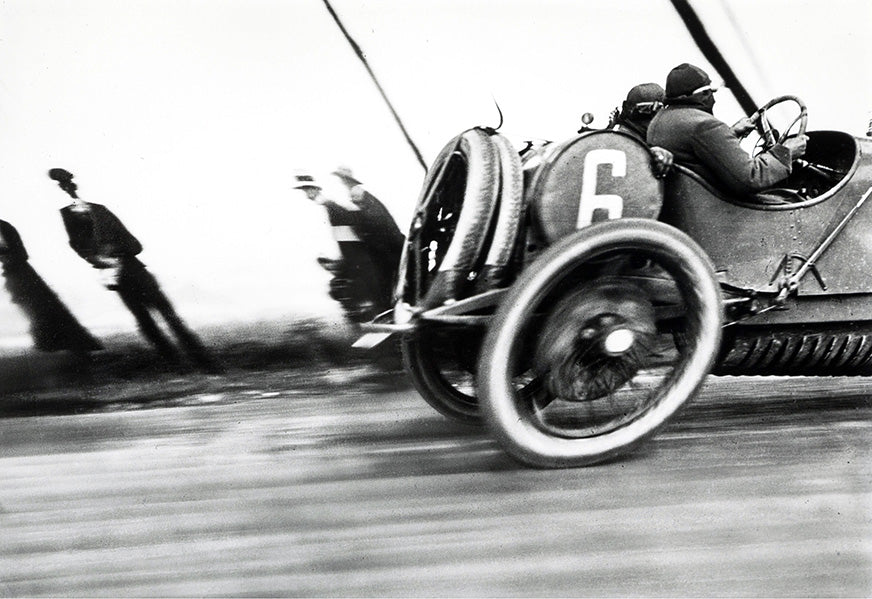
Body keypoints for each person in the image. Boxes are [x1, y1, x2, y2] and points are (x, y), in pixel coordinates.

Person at [48, 168, 222, 373]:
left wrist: (115, 251)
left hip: (135, 271)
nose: (68, 189)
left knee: (169, 318)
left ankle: (205, 364)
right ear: (61, 188)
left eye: (69, 184)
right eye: (63, 185)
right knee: (147, 323)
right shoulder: (67, 215)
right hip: (117, 277)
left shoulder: (100, 210)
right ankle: (178, 366)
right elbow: (78, 246)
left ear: (73, 185)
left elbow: (134, 244)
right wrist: (98, 259)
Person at [647, 63, 807, 197]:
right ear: (702, 94)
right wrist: (786, 153)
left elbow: (697, 152)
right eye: (711, 93)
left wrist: (731, 133)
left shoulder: (660, 120)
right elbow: (751, 178)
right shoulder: (706, 126)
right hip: (722, 210)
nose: (714, 99)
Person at [293, 168, 404, 324]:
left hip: (383, 253)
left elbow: (364, 228)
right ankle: (381, 312)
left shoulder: (356, 201)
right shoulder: (348, 204)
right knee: (341, 286)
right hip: (373, 253)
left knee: (358, 282)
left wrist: (321, 198)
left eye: (308, 190)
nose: (307, 195)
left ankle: (385, 312)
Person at [0, 218, 102, 357]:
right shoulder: (4, 226)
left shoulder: (3, 227)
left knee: (39, 310)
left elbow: (11, 251)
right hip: (19, 271)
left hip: (18, 272)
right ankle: (73, 348)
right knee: (42, 310)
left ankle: (70, 349)